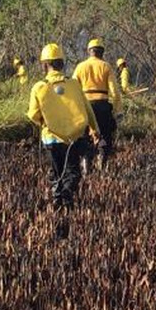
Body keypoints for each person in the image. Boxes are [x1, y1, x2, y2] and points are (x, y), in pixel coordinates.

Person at [27, 43, 99, 208]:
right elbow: (87, 110)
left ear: (45, 65)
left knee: (56, 171)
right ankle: (67, 196)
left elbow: (33, 114)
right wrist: (95, 130)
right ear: (62, 63)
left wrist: (43, 122)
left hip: (50, 138)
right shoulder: (74, 84)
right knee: (72, 171)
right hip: (74, 138)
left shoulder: (39, 87)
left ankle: (57, 199)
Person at [74, 38, 122, 167]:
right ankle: (102, 163)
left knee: (84, 137)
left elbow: (74, 89)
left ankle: (85, 165)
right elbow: (115, 92)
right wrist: (117, 110)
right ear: (102, 52)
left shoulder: (80, 67)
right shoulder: (106, 66)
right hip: (102, 106)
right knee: (105, 135)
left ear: (89, 52)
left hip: (85, 106)